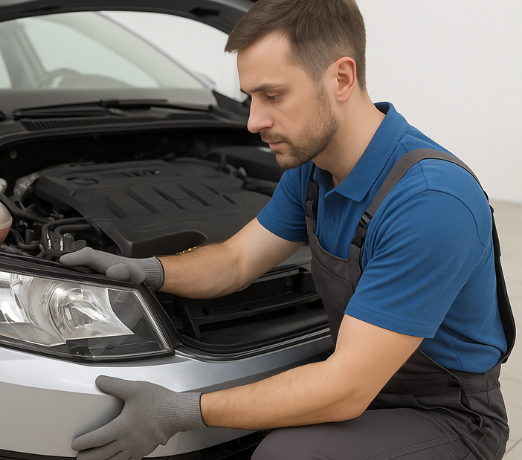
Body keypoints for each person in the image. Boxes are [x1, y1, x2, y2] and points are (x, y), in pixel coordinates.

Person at [59, 0, 515, 458]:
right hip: (372, 388)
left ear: (341, 78)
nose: (254, 121)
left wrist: (179, 411)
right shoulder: (313, 170)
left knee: (284, 455)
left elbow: (344, 389)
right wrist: (150, 271)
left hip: (447, 416)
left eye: (272, 96)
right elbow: (237, 261)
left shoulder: (430, 202)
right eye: (250, 98)